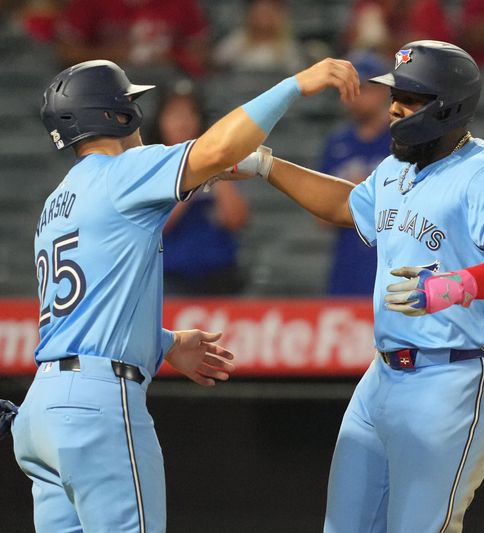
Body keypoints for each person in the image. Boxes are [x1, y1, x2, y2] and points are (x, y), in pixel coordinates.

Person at [3, 57, 359, 532]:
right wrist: (297, 83)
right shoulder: (122, 171)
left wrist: (165, 343)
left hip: (40, 412)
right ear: (116, 114)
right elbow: (218, 150)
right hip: (97, 407)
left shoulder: (57, 201)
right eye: (130, 102)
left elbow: (87, 309)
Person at [262, 40, 484, 532]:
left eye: (412, 98)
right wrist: (266, 167)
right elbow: (349, 206)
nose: (396, 107)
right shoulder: (399, 166)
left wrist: (450, 287)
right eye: (396, 94)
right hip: (382, 375)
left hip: (457, 374)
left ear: (449, 105)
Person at [150, 80, 250, 295]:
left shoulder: (216, 160)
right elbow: (153, 226)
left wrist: (215, 167)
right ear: (160, 121)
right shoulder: (150, 164)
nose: (182, 122)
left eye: (189, 114)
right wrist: (191, 180)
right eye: (174, 114)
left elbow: (236, 219)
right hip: (169, 278)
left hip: (219, 275)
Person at [318, 51, 391, 295]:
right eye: (350, 87)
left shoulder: (405, 139)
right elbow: (321, 217)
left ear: (383, 90)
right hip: (348, 264)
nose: (356, 94)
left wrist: (363, 194)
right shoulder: (337, 143)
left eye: (364, 87)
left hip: (394, 259)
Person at [54, 0, 210, 77]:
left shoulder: (181, 3)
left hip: (166, 82)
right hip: (104, 82)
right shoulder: (90, 3)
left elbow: (200, 53)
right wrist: (114, 54)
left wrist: (168, 56)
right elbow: (66, 52)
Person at [212, 0, 306, 73]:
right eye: (260, 13)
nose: (263, 19)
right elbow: (217, 62)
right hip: (241, 92)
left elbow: (297, 71)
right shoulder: (239, 40)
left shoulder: (287, 46)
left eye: (267, 14)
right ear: (251, 16)